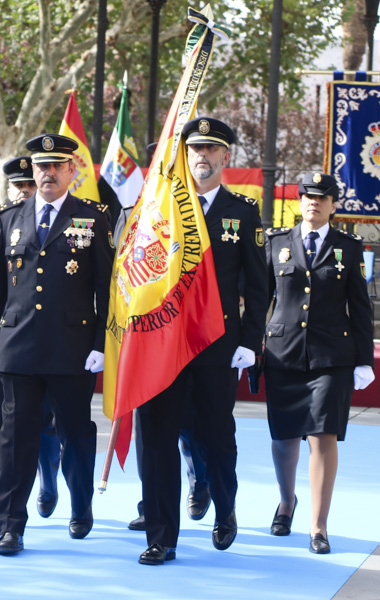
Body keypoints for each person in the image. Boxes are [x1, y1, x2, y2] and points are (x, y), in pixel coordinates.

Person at [135, 117, 267, 566]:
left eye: (212, 150)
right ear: (185, 155)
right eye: (195, 150)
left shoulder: (242, 212)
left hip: (216, 347)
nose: (203, 157)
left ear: (226, 156)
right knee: (156, 438)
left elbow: (258, 284)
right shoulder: (160, 208)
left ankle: (225, 509)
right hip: (163, 345)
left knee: (215, 436)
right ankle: (160, 537)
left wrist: (251, 340)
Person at [0, 134, 111, 556]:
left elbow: (107, 287)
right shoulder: (9, 219)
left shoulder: (92, 217)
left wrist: (101, 341)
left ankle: (81, 504)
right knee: (16, 440)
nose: (48, 173)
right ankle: (11, 525)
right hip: (17, 346)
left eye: (57, 166)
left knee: (75, 433)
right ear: (32, 171)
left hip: (72, 349)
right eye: (41, 166)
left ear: (72, 171)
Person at [262, 172, 376, 554]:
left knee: (322, 434)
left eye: (322, 197)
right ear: (299, 202)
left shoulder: (349, 247)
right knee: (284, 436)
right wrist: (248, 345)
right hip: (284, 352)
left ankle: (318, 524)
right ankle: (286, 500)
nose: (314, 202)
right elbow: (260, 298)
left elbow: (360, 306)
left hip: (331, 357)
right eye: (308, 196)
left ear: (333, 205)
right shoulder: (277, 242)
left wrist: (365, 359)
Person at [0, 156, 62, 529]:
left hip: (41, 345)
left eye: (29, 186)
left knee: (44, 423)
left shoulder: (56, 228)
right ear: (7, 191)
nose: (24, 192)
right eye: (18, 187)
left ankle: (48, 476)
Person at [121, 142, 210, 533]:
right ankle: (156, 520)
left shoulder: (200, 217)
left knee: (193, 427)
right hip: (146, 344)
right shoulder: (131, 215)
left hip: (193, 343)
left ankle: (201, 481)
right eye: (162, 165)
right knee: (153, 438)